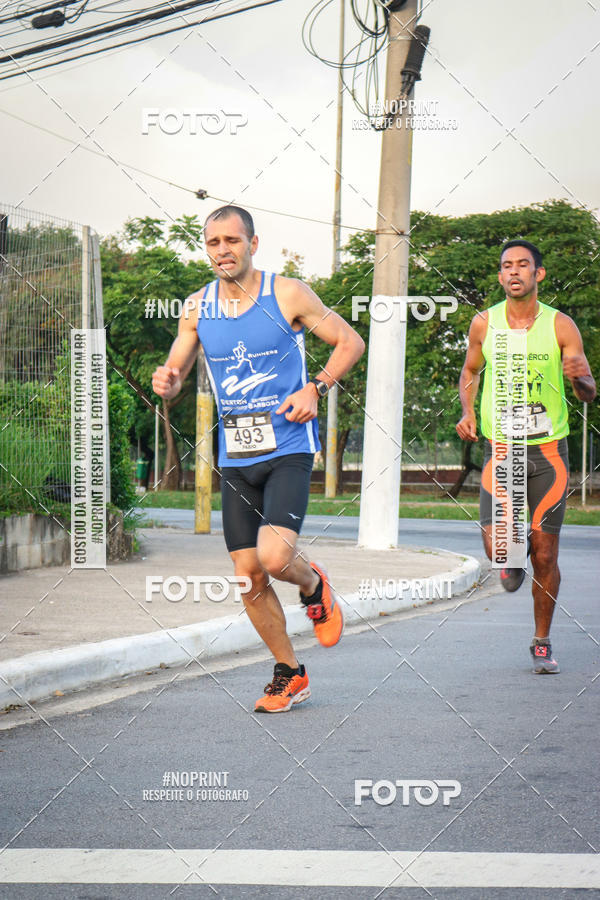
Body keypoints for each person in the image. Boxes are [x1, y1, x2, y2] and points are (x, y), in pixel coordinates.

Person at [152, 205, 365, 710]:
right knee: (249, 576)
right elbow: (177, 375)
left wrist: (316, 387)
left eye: (232, 240)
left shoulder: (286, 292)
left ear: (252, 243)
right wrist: (169, 382)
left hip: (288, 447)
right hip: (237, 456)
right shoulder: (196, 307)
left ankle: (313, 585)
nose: (223, 250)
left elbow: (349, 341)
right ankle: (289, 672)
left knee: (274, 557)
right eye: (213, 243)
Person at [456, 240, 596, 674]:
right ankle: (509, 562)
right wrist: (467, 411)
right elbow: (469, 372)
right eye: (506, 266)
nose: (514, 271)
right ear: (500, 277)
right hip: (502, 447)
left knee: (547, 554)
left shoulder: (560, 325)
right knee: (500, 548)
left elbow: (588, 390)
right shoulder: (485, 323)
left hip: (549, 451)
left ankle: (541, 640)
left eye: (523, 265)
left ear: (539, 274)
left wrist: (582, 381)